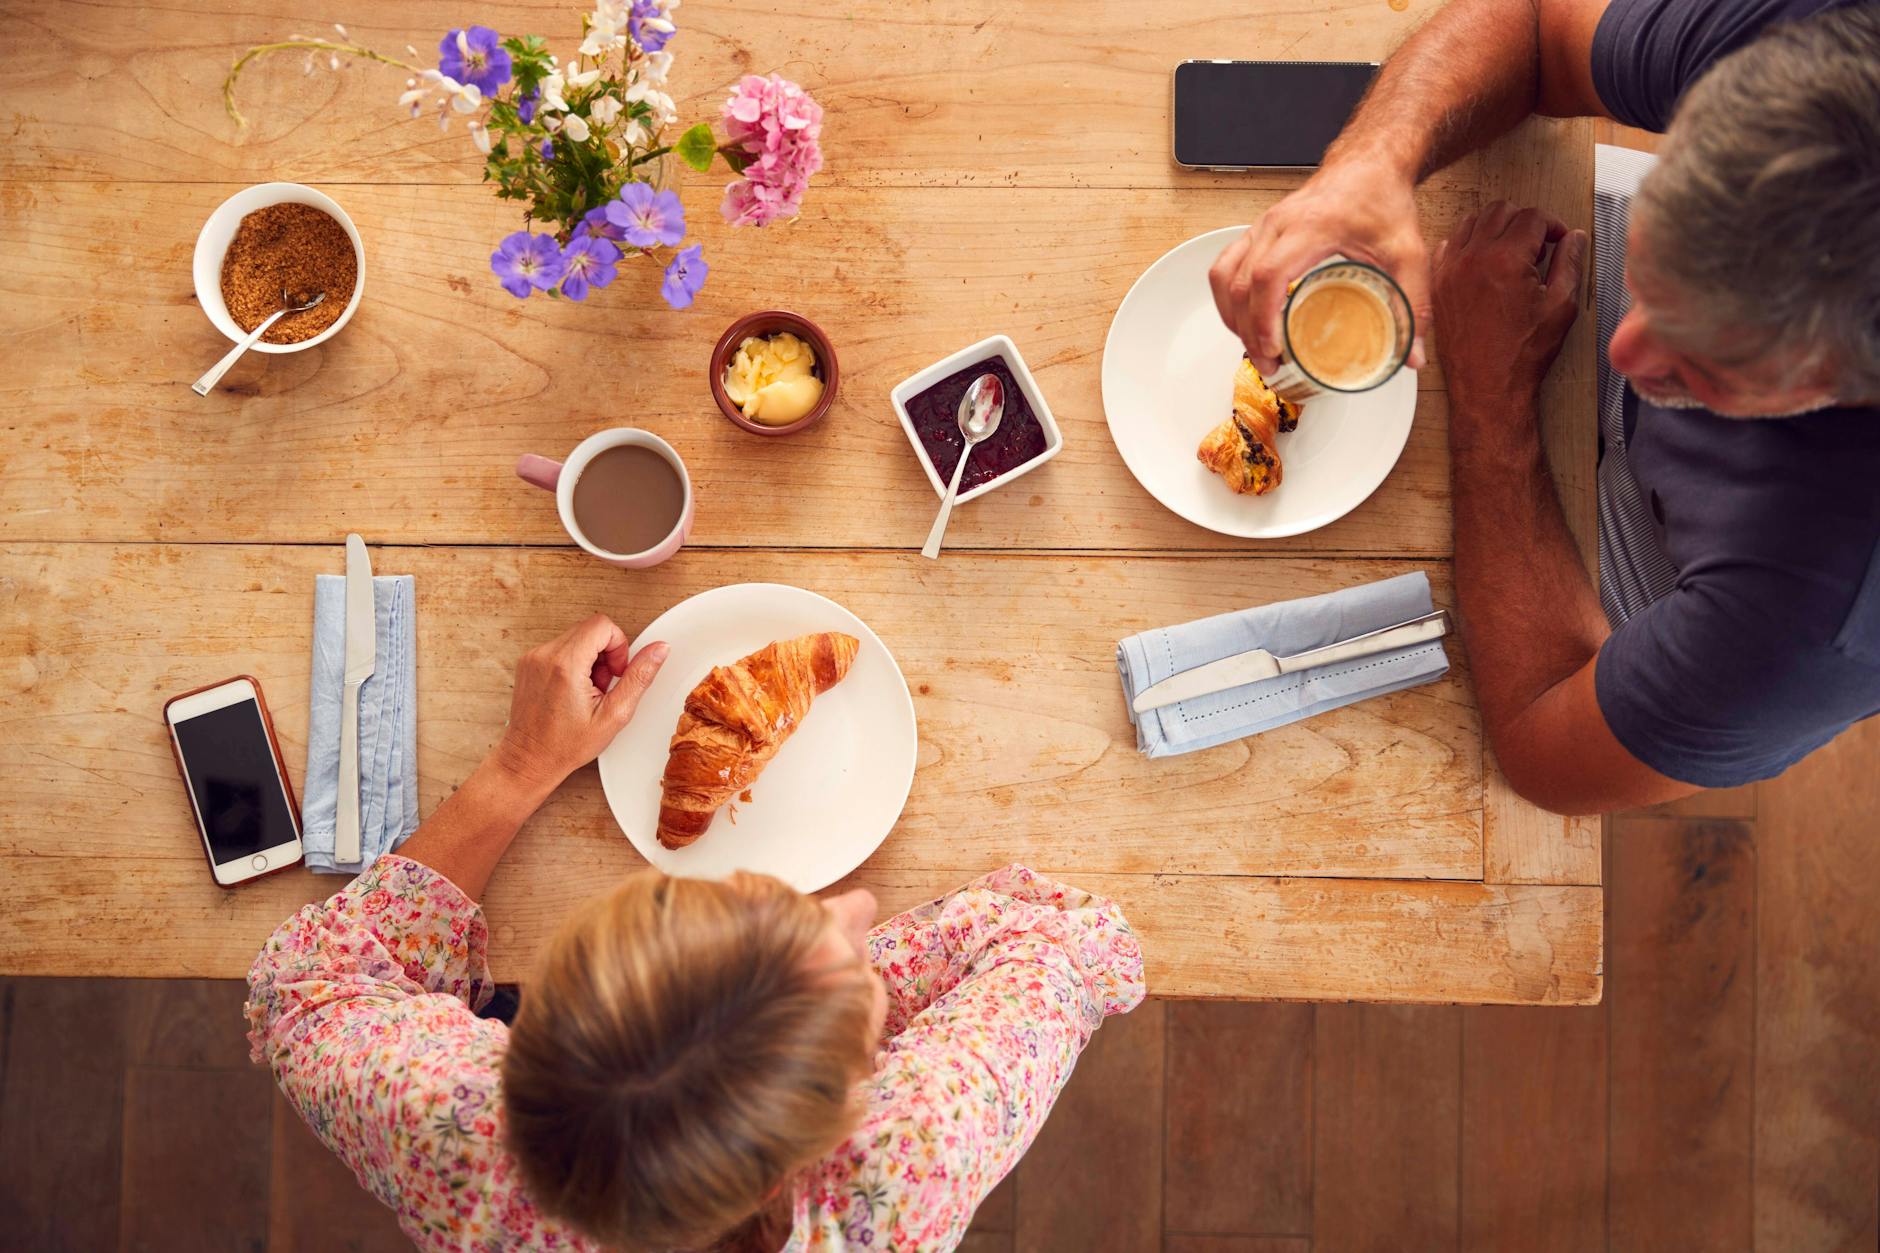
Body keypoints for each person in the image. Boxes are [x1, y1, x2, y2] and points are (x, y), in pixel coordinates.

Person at [246, 614, 1144, 1253]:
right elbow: (1062, 942)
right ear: (825, 1133)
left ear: (529, 1038)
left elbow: (304, 990)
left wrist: (524, 762)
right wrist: (835, 987)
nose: (856, 906)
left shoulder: (445, 1120)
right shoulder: (905, 1167)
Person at [1210, 0, 1880, 813]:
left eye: (1708, 362)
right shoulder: (1823, 54)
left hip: (1676, 572)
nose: (1625, 352)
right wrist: (1373, 164)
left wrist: (1495, 396)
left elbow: (1542, 746)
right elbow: (1533, 28)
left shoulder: (1819, 621)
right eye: (1653, 271)